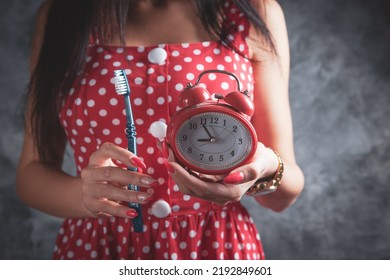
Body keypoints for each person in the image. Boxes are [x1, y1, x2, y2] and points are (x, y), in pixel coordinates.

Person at [16, 0, 304, 260]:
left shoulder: (253, 13)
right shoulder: (61, 14)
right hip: (99, 250)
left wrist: (265, 167)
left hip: (217, 249)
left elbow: (284, 193)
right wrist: (84, 195)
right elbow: (32, 173)